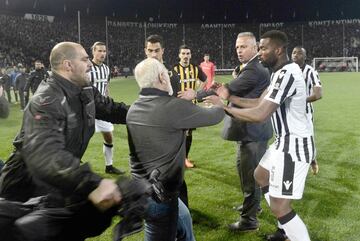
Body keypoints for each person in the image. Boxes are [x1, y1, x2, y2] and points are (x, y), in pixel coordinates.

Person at [0, 42, 130, 240]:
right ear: (68, 65)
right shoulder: (46, 100)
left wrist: (148, 114)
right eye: (85, 59)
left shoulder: (86, 90)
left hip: (60, 180)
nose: (89, 64)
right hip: (24, 187)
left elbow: (113, 109)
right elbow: (47, 156)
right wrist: (94, 183)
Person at [206, 30, 313, 241]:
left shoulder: (287, 74)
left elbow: (260, 114)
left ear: (278, 50)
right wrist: (231, 98)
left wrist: (226, 108)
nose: (260, 53)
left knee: (280, 207)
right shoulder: (278, 73)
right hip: (283, 142)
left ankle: (290, 231)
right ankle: (286, 228)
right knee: (260, 175)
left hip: (293, 146)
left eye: (264, 48)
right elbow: (258, 102)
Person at [127, 57, 225, 241]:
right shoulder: (172, 107)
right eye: (166, 72)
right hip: (160, 195)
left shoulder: (134, 108)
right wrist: (218, 102)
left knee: (184, 217)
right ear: (162, 78)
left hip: (142, 187)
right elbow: (215, 116)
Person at [220, 32, 272, 232]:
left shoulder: (254, 70)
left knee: (251, 177)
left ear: (255, 48)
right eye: (237, 47)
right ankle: (253, 206)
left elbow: (228, 89)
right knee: (246, 173)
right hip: (249, 131)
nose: (239, 50)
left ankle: (249, 221)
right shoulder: (249, 68)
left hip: (253, 132)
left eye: (243, 47)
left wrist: (196, 95)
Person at [90, 41, 125, 175]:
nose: (102, 53)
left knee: (109, 137)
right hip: (89, 110)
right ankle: (72, 166)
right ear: (93, 52)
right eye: (99, 51)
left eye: (104, 51)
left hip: (103, 109)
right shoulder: (87, 68)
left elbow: (106, 87)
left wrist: (107, 101)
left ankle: (109, 166)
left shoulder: (106, 69)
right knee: (81, 139)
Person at [172, 45, 208, 168]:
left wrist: (196, 93)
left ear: (190, 55)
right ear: (179, 55)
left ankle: (185, 158)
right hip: (176, 106)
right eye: (183, 53)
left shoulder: (195, 68)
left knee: (188, 133)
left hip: (190, 107)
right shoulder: (173, 69)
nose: (186, 56)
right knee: (177, 133)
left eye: (188, 53)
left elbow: (205, 80)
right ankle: (176, 157)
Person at [292, 46, 322, 175]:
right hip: (289, 112)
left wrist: (300, 100)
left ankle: (312, 160)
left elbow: (318, 94)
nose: (295, 55)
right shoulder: (287, 70)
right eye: (293, 53)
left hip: (304, 112)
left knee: (308, 138)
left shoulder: (311, 71)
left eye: (299, 53)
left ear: (304, 57)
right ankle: (292, 162)